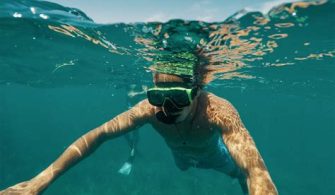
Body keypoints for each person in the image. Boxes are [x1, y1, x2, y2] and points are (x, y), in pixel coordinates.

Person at [0, 72, 278, 195]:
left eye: (178, 99)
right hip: (179, 156)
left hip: (214, 155)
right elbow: (97, 135)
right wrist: (39, 182)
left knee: (241, 174)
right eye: (158, 96)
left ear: (197, 92)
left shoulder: (219, 111)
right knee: (182, 166)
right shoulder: (147, 110)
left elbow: (256, 169)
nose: (167, 108)